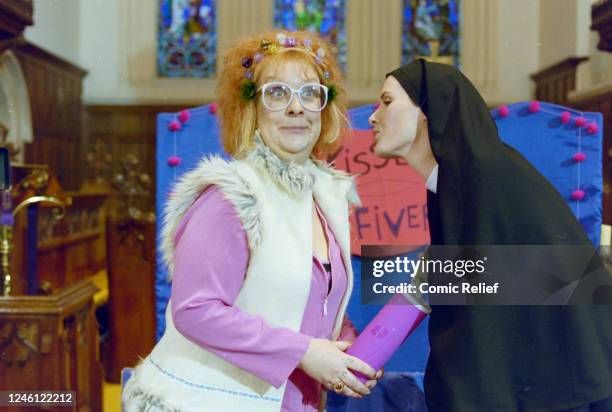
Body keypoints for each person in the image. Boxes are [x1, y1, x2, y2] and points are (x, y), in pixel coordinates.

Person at [122, 30, 382, 412]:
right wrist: (305, 352)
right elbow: (196, 310)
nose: (297, 108)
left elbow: (311, 302)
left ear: (323, 109)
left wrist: (346, 353)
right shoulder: (231, 196)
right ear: (251, 108)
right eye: (277, 93)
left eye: (310, 93)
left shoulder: (325, 196)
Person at [368, 59, 612, 411]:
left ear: (428, 111)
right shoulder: (455, 180)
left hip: (557, 387)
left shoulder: (488, 175)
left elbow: (553, 278)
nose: (374, 117)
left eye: (387, 102)